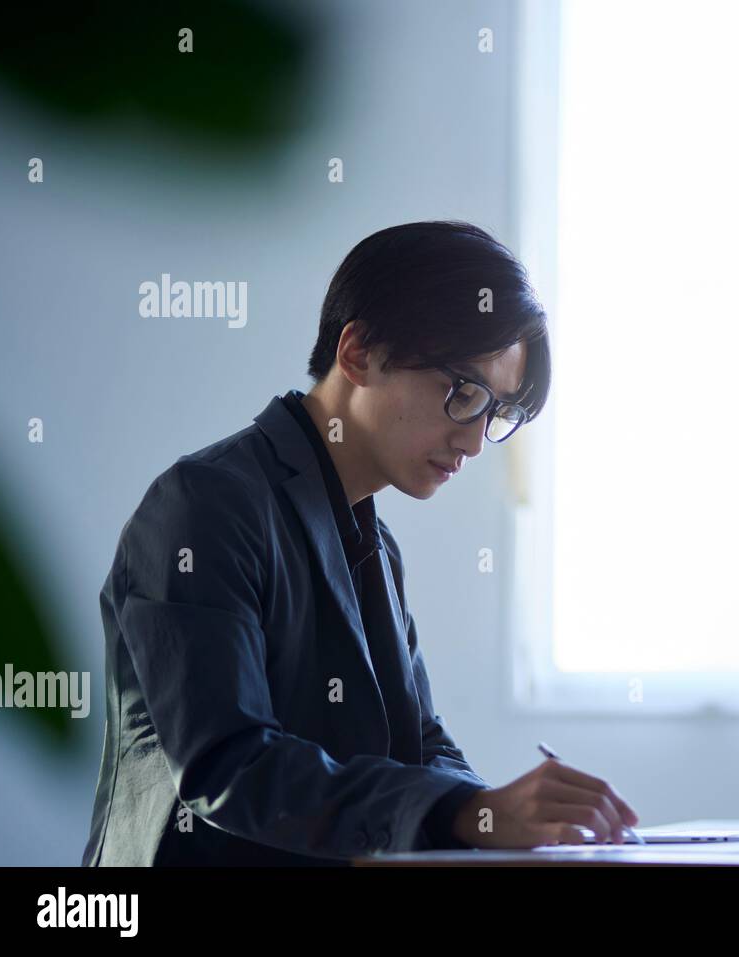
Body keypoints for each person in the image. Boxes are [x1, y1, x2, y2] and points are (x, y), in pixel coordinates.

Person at [81, 221, 638, 865]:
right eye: (463, 393)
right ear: (359, 352)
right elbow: (229, 766)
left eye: (497, 412)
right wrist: (471, 815)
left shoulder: (373, 541)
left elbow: (421, 745)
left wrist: (510, 826)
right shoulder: (204, 504)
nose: (476, 440)